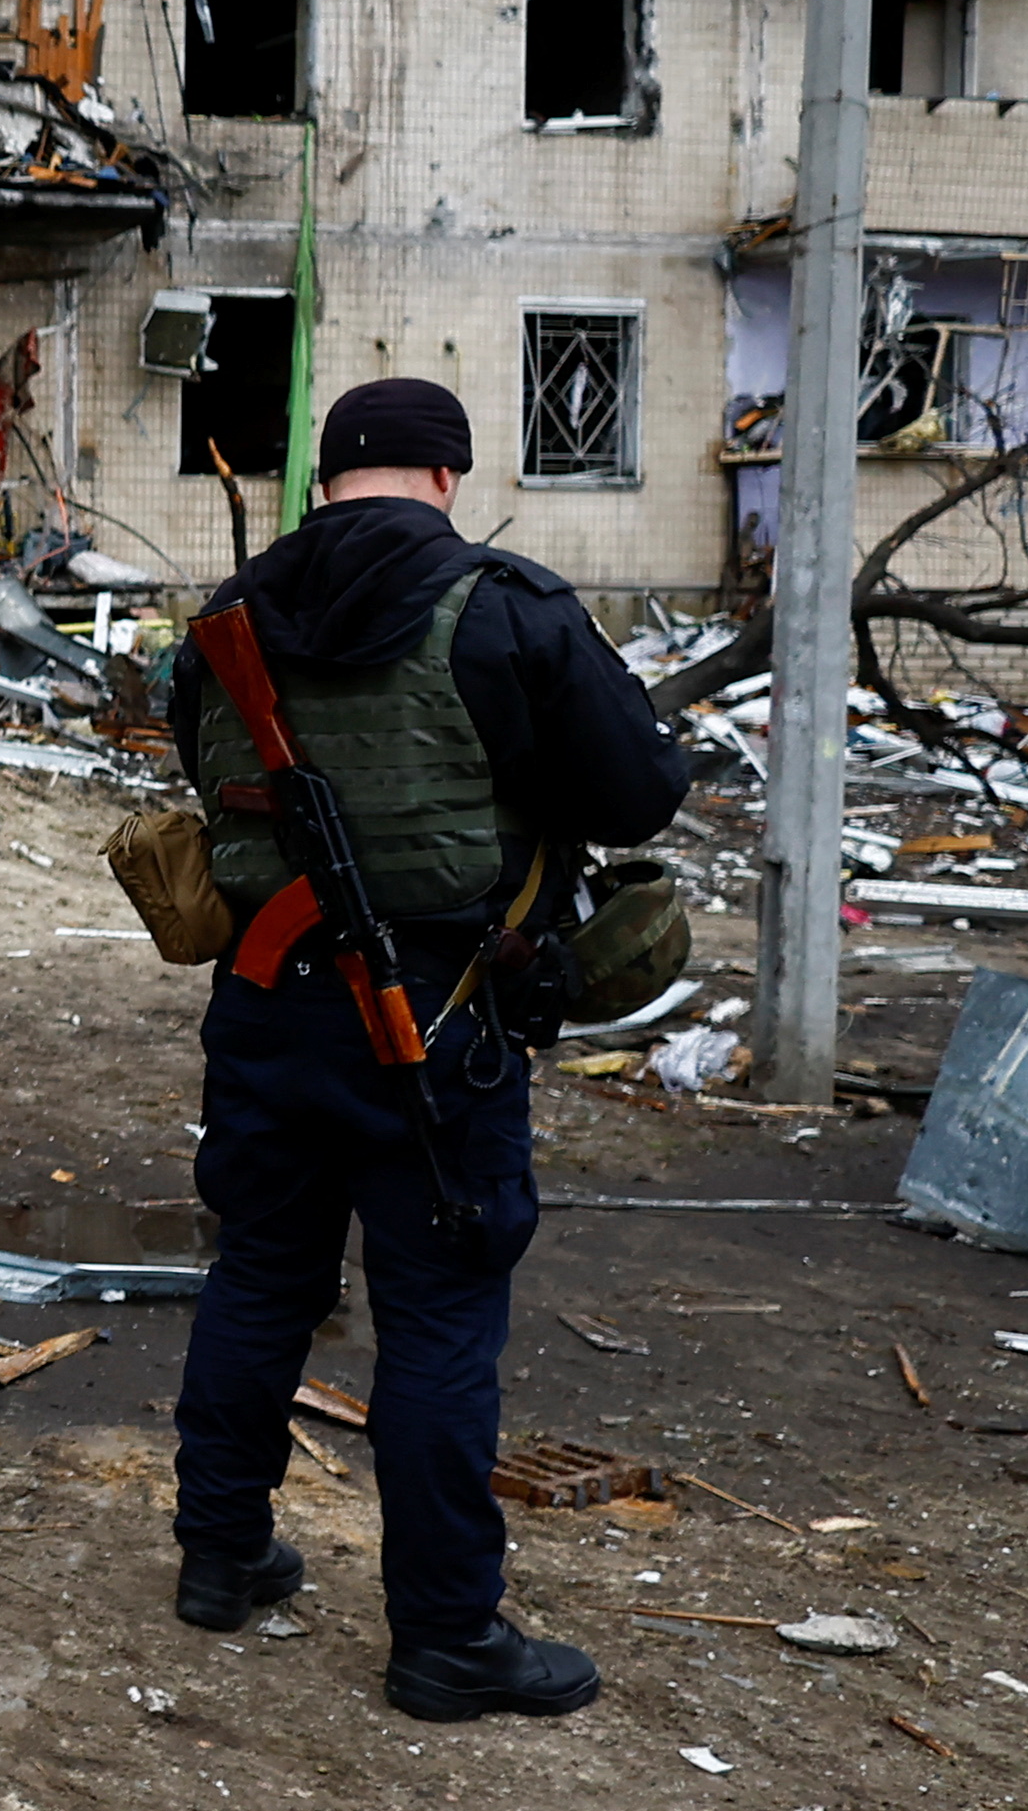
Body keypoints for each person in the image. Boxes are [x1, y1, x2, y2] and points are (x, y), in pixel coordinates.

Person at [161, 375, 693, 1721]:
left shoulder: (226, 623)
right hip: (436, 1022)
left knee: (261, 1280)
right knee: (440, 1329)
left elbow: (205, 779)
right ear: (447, 477)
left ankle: (220, 1560)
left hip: (271, 999)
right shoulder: (504, 610)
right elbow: (643, 793)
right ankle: (448, 1637)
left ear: (323, 480)